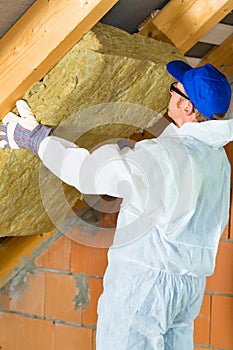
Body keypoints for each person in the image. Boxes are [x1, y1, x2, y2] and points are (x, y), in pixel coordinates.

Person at [0, 60, 232, 349]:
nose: (170, 94)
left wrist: (38, 141)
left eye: (176, 90)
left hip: (146, 284)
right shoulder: (218, 161)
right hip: (189, 289)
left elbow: (91, 174)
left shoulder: (164, 156)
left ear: (187, 108)